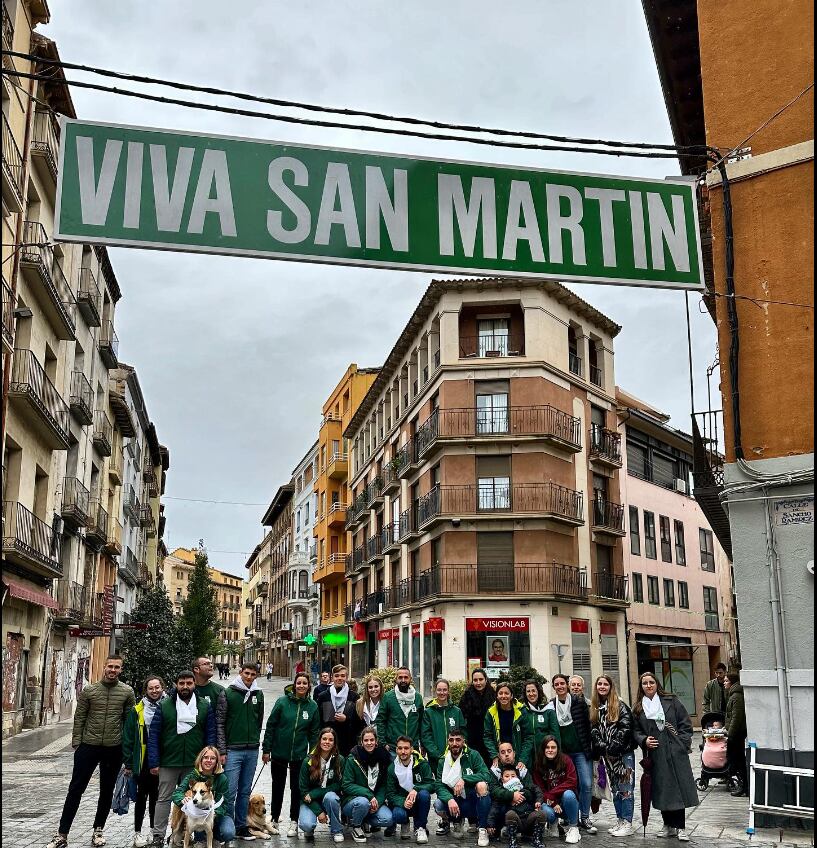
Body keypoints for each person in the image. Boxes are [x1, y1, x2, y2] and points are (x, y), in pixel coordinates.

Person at [47, 656, 136, 848]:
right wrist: (77, 743)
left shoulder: (127, 692)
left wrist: (127, 751)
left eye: (117, 667)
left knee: (106, 791)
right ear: (104, 667)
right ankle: (62, 834)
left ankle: (98, 830)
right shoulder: (90, 690)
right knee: (75, 790)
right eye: (110, 666)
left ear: (121, 670)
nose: (113, 670)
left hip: (114, 747)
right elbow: (80, 717)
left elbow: (129, 723)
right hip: (89, 745)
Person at [147, 670, 217, 848]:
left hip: (194, 762)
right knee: (163, 799)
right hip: (168, 761)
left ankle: (184, 834)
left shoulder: (203, 706)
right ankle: (158, 836)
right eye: (181, 683)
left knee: (194, 799)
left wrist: (208, 759)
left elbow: (210, 734)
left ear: (194, 684)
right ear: (175, 685)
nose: (185, 687)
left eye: (189, 683)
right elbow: (154, 735)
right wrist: (154, 761)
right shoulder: (164, 706)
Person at [631, 671, 699, 841]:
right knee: (662, 790)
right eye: (645, 683)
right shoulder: (639, 708)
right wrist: (644, 740)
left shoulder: (671, 701)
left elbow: (685, 723)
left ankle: (681, 827)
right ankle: (668, 825)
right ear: (641, 687)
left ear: (657, 684)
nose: (648, 685)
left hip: (675, 752)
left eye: (651, 682)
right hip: (656, 755)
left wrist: (682, 744)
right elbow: (635, 731)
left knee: (677, 789)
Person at [262, 672, 321, 836]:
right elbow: (271, 725)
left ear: (309, 686)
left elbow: (314, 734)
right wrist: (266, 749)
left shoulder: (312, 706)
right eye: (299, 683)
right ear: (294, 685)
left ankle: (294, 821)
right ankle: (274, 818)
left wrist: (312, 755)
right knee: (277, 786)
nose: (301, 686)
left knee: (296, 788)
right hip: (279, 753)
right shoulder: (282, 702)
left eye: (304, 683)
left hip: (300, 756)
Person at [216, 662, 265, 841]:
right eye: (246, 673)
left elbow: (259, 720)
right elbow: (220, 723)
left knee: (245, 791)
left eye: (253, 674)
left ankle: (241, 826)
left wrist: (255, 739)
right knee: (230, 791)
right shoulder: (228, 693)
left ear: (257, 676)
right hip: (232, 750)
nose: (249, 677)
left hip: (251, 749)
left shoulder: (258, 694)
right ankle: (227, 826)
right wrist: (222, 750)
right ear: (241, 672)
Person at [546, 674, 595, 835]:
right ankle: (568, 816)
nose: (560, 686)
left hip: (580, 750)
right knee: (567, 785)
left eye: (562, 683)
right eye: (556, 684)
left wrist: (593, 747)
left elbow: (588, 725)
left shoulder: (578, 702)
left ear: (567, 685)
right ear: (553, 687)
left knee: (586, 784)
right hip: (563, 754)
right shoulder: (550, 706)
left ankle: (585, 817)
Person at [590, 675, 637, 838]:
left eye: (605, 684)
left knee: (626, 788)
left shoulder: (620, 705)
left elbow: (626, 728)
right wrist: (603, 747)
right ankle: (620, 820)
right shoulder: (596, 707)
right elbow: (594, 729)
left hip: (623, 754)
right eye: (599, 684)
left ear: (611, 687)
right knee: (616, 789)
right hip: (608, 756)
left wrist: (613, 747)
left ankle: (627, 822)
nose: (602, 686)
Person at [122, 675, 166, 848]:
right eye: (150, 688)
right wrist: (128, 763)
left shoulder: (169, 707)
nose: (154, 691)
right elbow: (128, 737)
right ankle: (137, 832)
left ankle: (154, 831)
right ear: (145, 691)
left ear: (162, 687)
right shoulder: (137, 710)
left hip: (162, 760)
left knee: (157, 797)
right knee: (141, 797)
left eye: (157, 687)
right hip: (142, 760)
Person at [433, 727, 492, 846]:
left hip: (471, 799)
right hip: (454, 800)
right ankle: (455, 820)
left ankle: (482, 828)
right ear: (448, 742)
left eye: (458, 740)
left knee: (481, 785)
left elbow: (486, 775)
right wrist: (449, 799)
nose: (454, 743)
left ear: (463, 741)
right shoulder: (442, 760)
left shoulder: (473, 755)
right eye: (451, 740)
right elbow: (439, 785)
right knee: (438, 804)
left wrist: (464, 779)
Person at [170, 745, 235, 845]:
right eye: (206, 757)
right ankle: (197, 839)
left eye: (212, 758)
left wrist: (213, 813)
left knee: (228, 832)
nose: (209, 760)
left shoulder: (222, 779)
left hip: (215, 815)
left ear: (217, 761)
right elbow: (177, 793)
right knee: (188, 828)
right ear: (201, 759)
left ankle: (215, 837)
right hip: (195, 814)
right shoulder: (193, 775)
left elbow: (224, 803)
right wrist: (182, 799)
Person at [342, 725, 395, 842]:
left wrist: (378, 802)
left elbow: (383, 785)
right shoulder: (353, 758)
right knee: (363, 802)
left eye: (372, 740)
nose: (369, 743)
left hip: (373, 801)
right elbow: (346, 785)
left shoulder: (383, 758)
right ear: (361, 742)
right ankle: (356, 826)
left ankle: (364, 820)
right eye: (366, 740)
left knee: (388, 819)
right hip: (353, 801)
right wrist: (369, 795)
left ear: (376, 741)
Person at [298, 727, 346, 843]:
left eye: (330, 740)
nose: (327, 742)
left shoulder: (340, 760)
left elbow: (340, 785)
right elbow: (303, 791)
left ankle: (337, 830)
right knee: (307, 825)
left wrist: (315, 793)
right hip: (309, 801)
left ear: (334, 743)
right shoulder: (307, 761)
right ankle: (310, 827)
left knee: (331, 797)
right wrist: (319, 811)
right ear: (319, 741)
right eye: (324, 739)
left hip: (327, 798)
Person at [386, 735, 434, 843]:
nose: (403, 751)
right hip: (403, 803)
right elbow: (390, 794)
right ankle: (405, 823)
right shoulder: (392, 768)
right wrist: (403, 802)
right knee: (398, 815)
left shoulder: (422, 764)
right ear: (396, 749)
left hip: (418, 801)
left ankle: (420, 828)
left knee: (424, 795)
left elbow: (431, 784)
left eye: (406, 748)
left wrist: (416, 789)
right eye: (400, 748)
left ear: (412, 749)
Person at [533, 735, 581, 845]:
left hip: (566, 803)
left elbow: (572, 782)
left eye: (553, 747)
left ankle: (574, 828)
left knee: (568, 794)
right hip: (550, 803)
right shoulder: (538, 764)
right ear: (543, 749)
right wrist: (553, 801)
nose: (550, 750)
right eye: (547, 747)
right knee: (544, 808)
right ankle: (553, 824)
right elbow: (539, 789)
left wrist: (551, 794)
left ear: (558, 748)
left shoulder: (566, 760)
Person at [488, 765, 546, 848]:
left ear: (517, 777)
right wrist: (491, 824)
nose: (510, 778)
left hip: (528, 818)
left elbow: (537, 790)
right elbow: (495, 808)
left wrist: (538, 801)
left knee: (541, 814)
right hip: (515, 821)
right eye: (507, 776)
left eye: (513, 776)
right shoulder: (503, 792)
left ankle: (536, 839)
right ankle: (513, 840)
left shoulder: (524, 786)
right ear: (502, 778)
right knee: (510, 814)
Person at [421, 678, 466, 776]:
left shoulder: (456, 711)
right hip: (436, 759)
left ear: (448, 691)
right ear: (434, 690)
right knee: (439, 786)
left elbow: (463, 733)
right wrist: (438, 755)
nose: (442, 693)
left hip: (455, 757)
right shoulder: (428, 712)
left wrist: (458, 751)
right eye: (439, 690)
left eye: (445, 690)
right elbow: (426, 736)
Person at [484, 683, 533, 770]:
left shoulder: (522, 711)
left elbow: (528, 737)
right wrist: (495, 755)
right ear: (497, 696)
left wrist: (522, 759)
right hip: (499, 758)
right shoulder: (490, 712)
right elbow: (487, 737)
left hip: (518, 757)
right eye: (500, 693)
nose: (503, 696)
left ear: (511, 696)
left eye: (506, 693)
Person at [316, 665, 362, 755]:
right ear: (332, 678)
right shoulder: (323, 696)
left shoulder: (354, 697)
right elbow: (319, 720)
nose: (339, 678)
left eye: (342, 675)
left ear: (347, 677)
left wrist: (346, 719)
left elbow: (359, 722)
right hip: (328, 742)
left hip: (348, 743)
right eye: (336, 676)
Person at [376, 667, 424, 753]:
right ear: (396, 679)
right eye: (400, 677)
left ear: (410, 679)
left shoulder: (418, 698)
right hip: (393, 748)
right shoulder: (388, 697)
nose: (403, 680)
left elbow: (421, 723)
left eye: (406, 677)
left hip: (413, 748)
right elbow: (380, 721)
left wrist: (422, 745)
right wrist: (383, 743)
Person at [458, 669, 496, 767]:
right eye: (475, 680)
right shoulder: (467, 696)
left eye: (481, 679)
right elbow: (461, 718)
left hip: (490, 737)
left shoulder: (493, 695)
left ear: (486, 680)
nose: (478, 683)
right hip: (472, 738)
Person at [520, 680, 561, 755]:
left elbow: (555, 734)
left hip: (545, 754)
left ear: (538, 692)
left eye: (533, 691)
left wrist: (557, 753)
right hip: (527, 755)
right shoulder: (522, 711)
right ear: (525, 694)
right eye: (528, 691)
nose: (531, 694)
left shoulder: (548, 710)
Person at [724, 673, 748, 796]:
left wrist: (730, 734)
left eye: (726, 681)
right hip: (735, 733)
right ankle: (743, 785)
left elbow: (736, 717)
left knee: (738, 761)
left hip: (737, 735)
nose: (724, 683)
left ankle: (744, 786)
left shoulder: (736, 696)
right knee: (737, 761)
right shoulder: (733, 695)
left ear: (732, 682)